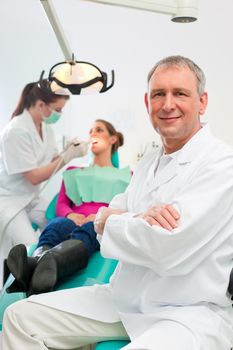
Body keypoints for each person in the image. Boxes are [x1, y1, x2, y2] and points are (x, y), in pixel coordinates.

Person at [2, 55, 233, 350]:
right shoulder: (149, 162)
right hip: (123, 298)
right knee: (20, 318)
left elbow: (164, 247)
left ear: (202, 102)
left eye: (180, 93)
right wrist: (125, 219)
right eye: (158, 94)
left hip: (186, 313)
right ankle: (45, 254)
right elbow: (103, 218)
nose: (168, 104)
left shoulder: (220, 164)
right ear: (148, 103)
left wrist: (112, 219)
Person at [6, 119, 131, 296]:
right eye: (90, 131)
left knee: (90, 229)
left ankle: (53, 263)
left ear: (112, 139)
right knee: (56, 226)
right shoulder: (74, 171)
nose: (92, 134)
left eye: (99, 130)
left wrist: (100, 216)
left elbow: (128, 207)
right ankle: (37, 262)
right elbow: (62, 204)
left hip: (100, 223)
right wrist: (70, 214)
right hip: (72, 220)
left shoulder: (128, 176)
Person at [0, 81, 88, 287]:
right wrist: (66, 158)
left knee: (57, 228)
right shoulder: (16, 131)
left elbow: (48, 162)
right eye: (58, 109)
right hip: (10, 200)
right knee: (31, 247)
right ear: (41, 105)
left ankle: (52, 278)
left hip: (31, 197)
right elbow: (33, 176)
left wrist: (66, 152)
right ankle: (26, 294)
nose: (59, 114)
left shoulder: (45, 128)